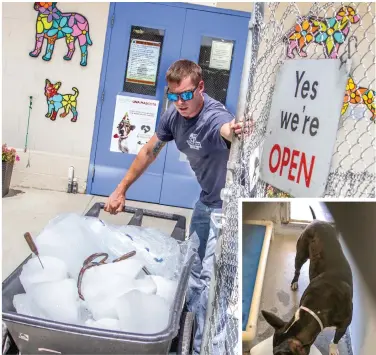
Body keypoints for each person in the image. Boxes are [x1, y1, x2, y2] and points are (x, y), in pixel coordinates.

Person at [105, 59, 246, 354]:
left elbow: (226, 129)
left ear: (200, 88)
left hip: (227, 209)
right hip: (207, 200)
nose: (180, 102)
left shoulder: (213, 115)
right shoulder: (173, 117)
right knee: (191, 266)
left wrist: (233, 130)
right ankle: (187, 328)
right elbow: (148, 151)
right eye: (173, 95)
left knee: (210, 279)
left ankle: (201, 347)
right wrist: (121, 190)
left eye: (185, 95)